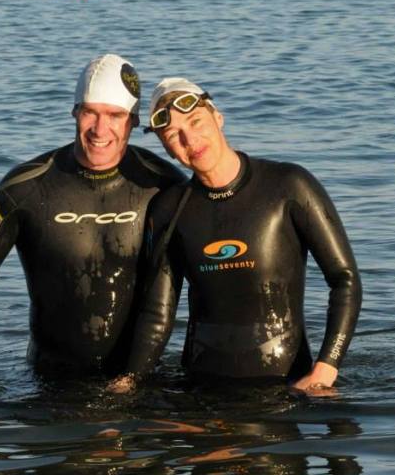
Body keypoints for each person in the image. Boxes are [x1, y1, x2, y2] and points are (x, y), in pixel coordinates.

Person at [0, 55, 184, 384]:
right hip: (49, 380)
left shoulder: (163, 185)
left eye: (115, 115)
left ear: (134, 121)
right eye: (90, 112)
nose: (100, 129)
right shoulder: (25, 187)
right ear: (74, 112)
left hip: (140, 379)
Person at [111, 77, 362, 393]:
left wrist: (326, 368)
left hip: (285, 388)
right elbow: (157, 314)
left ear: (218, 117)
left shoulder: (288, 186)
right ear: (167, 149)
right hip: (200, 391)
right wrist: (131, 380)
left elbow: (345, 279)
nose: (190, 139)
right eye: (173, 135)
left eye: (196, 121)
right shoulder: (169, 209)